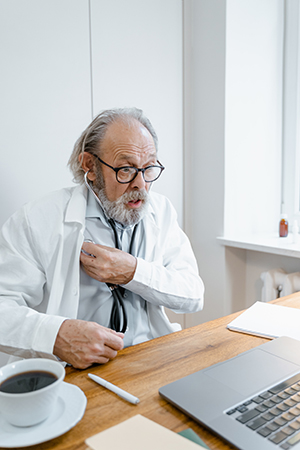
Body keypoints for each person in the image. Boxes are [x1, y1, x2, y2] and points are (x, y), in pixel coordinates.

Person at [0, 107, 204, 369]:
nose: (140, 185)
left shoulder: (160, 211)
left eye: (149, 168)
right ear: (90, 166)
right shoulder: (38, 218)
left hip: (149, 358)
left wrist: (132, 272)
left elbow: (193, 294)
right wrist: (56, 335)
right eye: (126, 169)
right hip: (74, 371)